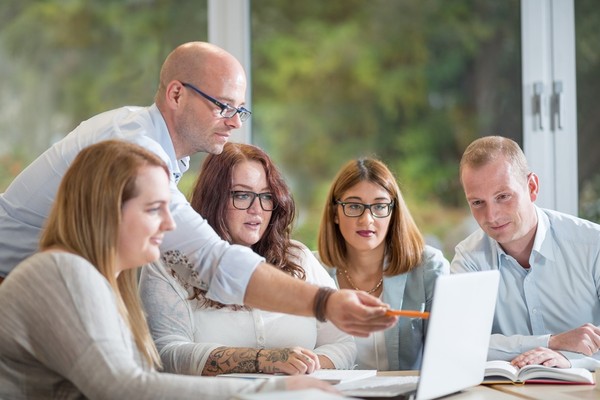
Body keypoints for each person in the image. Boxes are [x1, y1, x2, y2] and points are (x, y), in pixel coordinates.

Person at [0, 41, 396, 335]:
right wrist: (323, 302)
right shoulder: (134, 148)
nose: (235, 122)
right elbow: (212, 259)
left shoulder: (158, 149)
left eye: (240, 109)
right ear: (176, 94)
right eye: (224, 106)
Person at [0, 140, 336, 399]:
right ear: (107, 211)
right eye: (154, 208)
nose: (170, 223)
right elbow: (122, 389)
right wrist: (275, 391)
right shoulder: (64, 272)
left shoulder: (96, 279)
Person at [140, 142, 356, 376]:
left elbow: (344, 343)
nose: (257, 209)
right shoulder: (168, 263)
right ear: (214, 198)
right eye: (242, 195)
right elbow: (166, 353)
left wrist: (304, 365)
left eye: (266, 196)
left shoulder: (298, 257)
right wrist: (264, 360)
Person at [451, 135, 600, 371]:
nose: (492, 216)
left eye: (503, 197)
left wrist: (570, 360)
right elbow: (460, 342)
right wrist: (552, 342)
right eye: (478, 203)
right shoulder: (468, 259)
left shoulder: (593, 244)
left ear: (532, 187)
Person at [317, 158, 449, 370]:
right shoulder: (311, 269)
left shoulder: (429, 267)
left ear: (393, 212)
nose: (367, 219)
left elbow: (448, 351)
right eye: (353, 206)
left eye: (379, 206)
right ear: (335, 213)